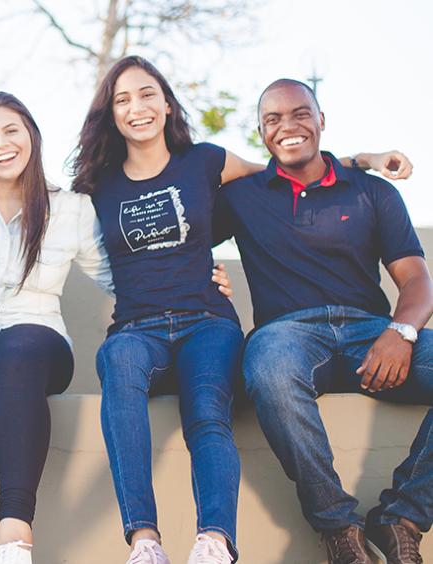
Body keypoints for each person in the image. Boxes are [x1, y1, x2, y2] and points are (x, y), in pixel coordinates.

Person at [70, 55, 411, 564]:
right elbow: (73, 247)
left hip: (207, 321)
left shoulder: (207, 161)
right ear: (111, 113)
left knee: (208, 411)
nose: (136, 107)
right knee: (118, 367)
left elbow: (288, 167)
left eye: (146, 94)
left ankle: (216, 542)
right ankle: (145, 543)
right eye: (122, 99)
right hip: (138, 328)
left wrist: (361, 159)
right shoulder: (97, 185)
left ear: (166, 104)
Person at [0, 91, 231, 564]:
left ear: (31, 136)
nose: (0, 144)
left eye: (11, 131)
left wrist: (193, 276)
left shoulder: (70, 209)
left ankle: (15, 540)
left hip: (37, 339)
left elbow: (123, 277)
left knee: (19, 347)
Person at [214, 78, 432, 564]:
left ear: (321, 121)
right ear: (261, 133)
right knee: (267, 370)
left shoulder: (371, 192)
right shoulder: (242, 196)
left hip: (371, 334)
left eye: (299, 114)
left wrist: (401, 331)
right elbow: (177, 222)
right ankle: (338, 528)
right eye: (273, 119)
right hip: (286, 336)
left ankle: (403, 517)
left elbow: (417, 279)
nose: (287, 126)